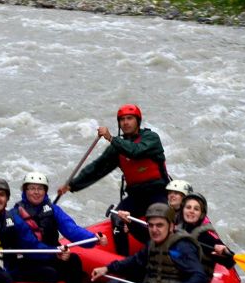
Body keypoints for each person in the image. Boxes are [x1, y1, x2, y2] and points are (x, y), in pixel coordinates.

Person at [57, 104, 170, 255]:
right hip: (136, 196)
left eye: (130, 119)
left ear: (138, 121)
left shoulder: (151, 138)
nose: (126, 122)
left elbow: (135, 151)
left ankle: (160, 250)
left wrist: (110, 138)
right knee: (117, 217)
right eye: (122, 120)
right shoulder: (117, 148)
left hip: (158, 193)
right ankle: (122, 259)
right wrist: (71, 185)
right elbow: (97, 168)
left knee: (157, 219)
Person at [89, 203, 210, 283]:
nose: (154, 230)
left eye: (159, 225)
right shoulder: (153, 244)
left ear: (171, 226)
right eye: (151, 225)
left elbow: (199, 277)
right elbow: (134, 261)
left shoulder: (180, 248)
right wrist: (107, 268)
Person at [12, 171, 105, 283]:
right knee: (49, 273)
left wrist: (93, 238)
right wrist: (55, 252)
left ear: (45, 191)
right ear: (25, 191)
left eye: (40, 189)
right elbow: (30, 245)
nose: (36, 192)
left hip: (53, 254)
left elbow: (71, 229)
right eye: (31, 188)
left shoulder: (53, 209)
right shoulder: (15, 214)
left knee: (74, 260)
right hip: (29, 260)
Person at [177, 192, 236, 276]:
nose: (191, 211)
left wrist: (225, 252)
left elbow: (230, 261)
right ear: (183, 210)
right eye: (188, 207)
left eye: (196, 209)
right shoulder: (178, 227)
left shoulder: (205, 236)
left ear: (201, 214)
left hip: (196, 281)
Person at [118, 178, 191, 226]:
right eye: (170, 193)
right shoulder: (164, 210)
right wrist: (130, 224)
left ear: (185, 196)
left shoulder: (189, 216)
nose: (171, 195)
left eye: (176, 193)